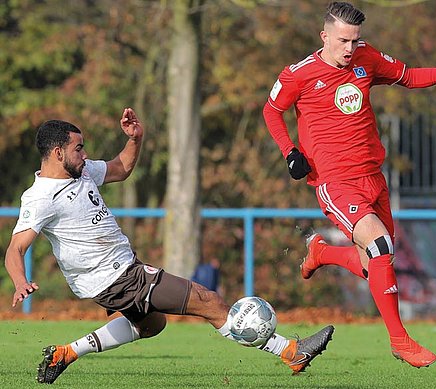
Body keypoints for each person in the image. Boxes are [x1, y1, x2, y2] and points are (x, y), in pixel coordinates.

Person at [4, 109, 334, 384]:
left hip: (122, 270)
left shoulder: (82, 171)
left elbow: (121, 168)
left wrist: (135, 139)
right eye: (79, 148)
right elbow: (15, 249)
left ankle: (67, 352)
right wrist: (20, 281)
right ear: (58, 153)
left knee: (151, 324)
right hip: (117, 277)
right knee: (209, 300)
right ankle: (291, 351)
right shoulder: (40, 197)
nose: (85, 153)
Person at [263, 1, 436, 368]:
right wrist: (290, 151)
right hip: (336, 181)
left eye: (355, 40)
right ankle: (400, 341)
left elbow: (407, 76)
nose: (350, 49)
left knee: (377, 262)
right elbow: (271, 110)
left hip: (373, 178)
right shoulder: (298, 74)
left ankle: (323, 253)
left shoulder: (365, 58)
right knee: (381, 246)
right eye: (342, 40)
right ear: (325, 36)